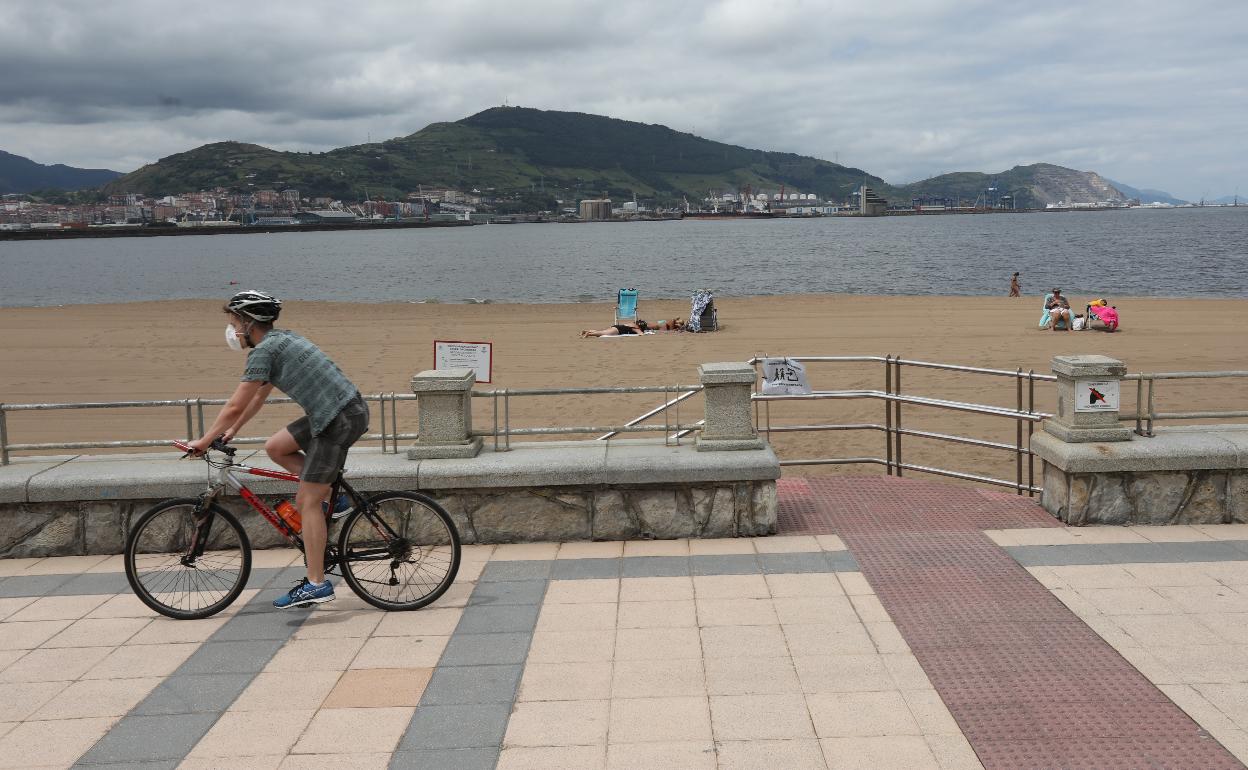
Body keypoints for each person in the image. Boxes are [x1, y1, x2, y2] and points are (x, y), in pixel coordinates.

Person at [188, 290, 370, 609]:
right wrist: (231, 432)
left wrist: (202, 442)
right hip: (339, 411)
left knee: (306, 500)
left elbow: (234, 404)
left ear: (248, 322)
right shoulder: (279, 340)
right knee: (276, 447)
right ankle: (334, 497)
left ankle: (317, 583)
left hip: (337, 418)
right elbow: (257, 397)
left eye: (234, 322)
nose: (232, 329)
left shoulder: (263, 351)